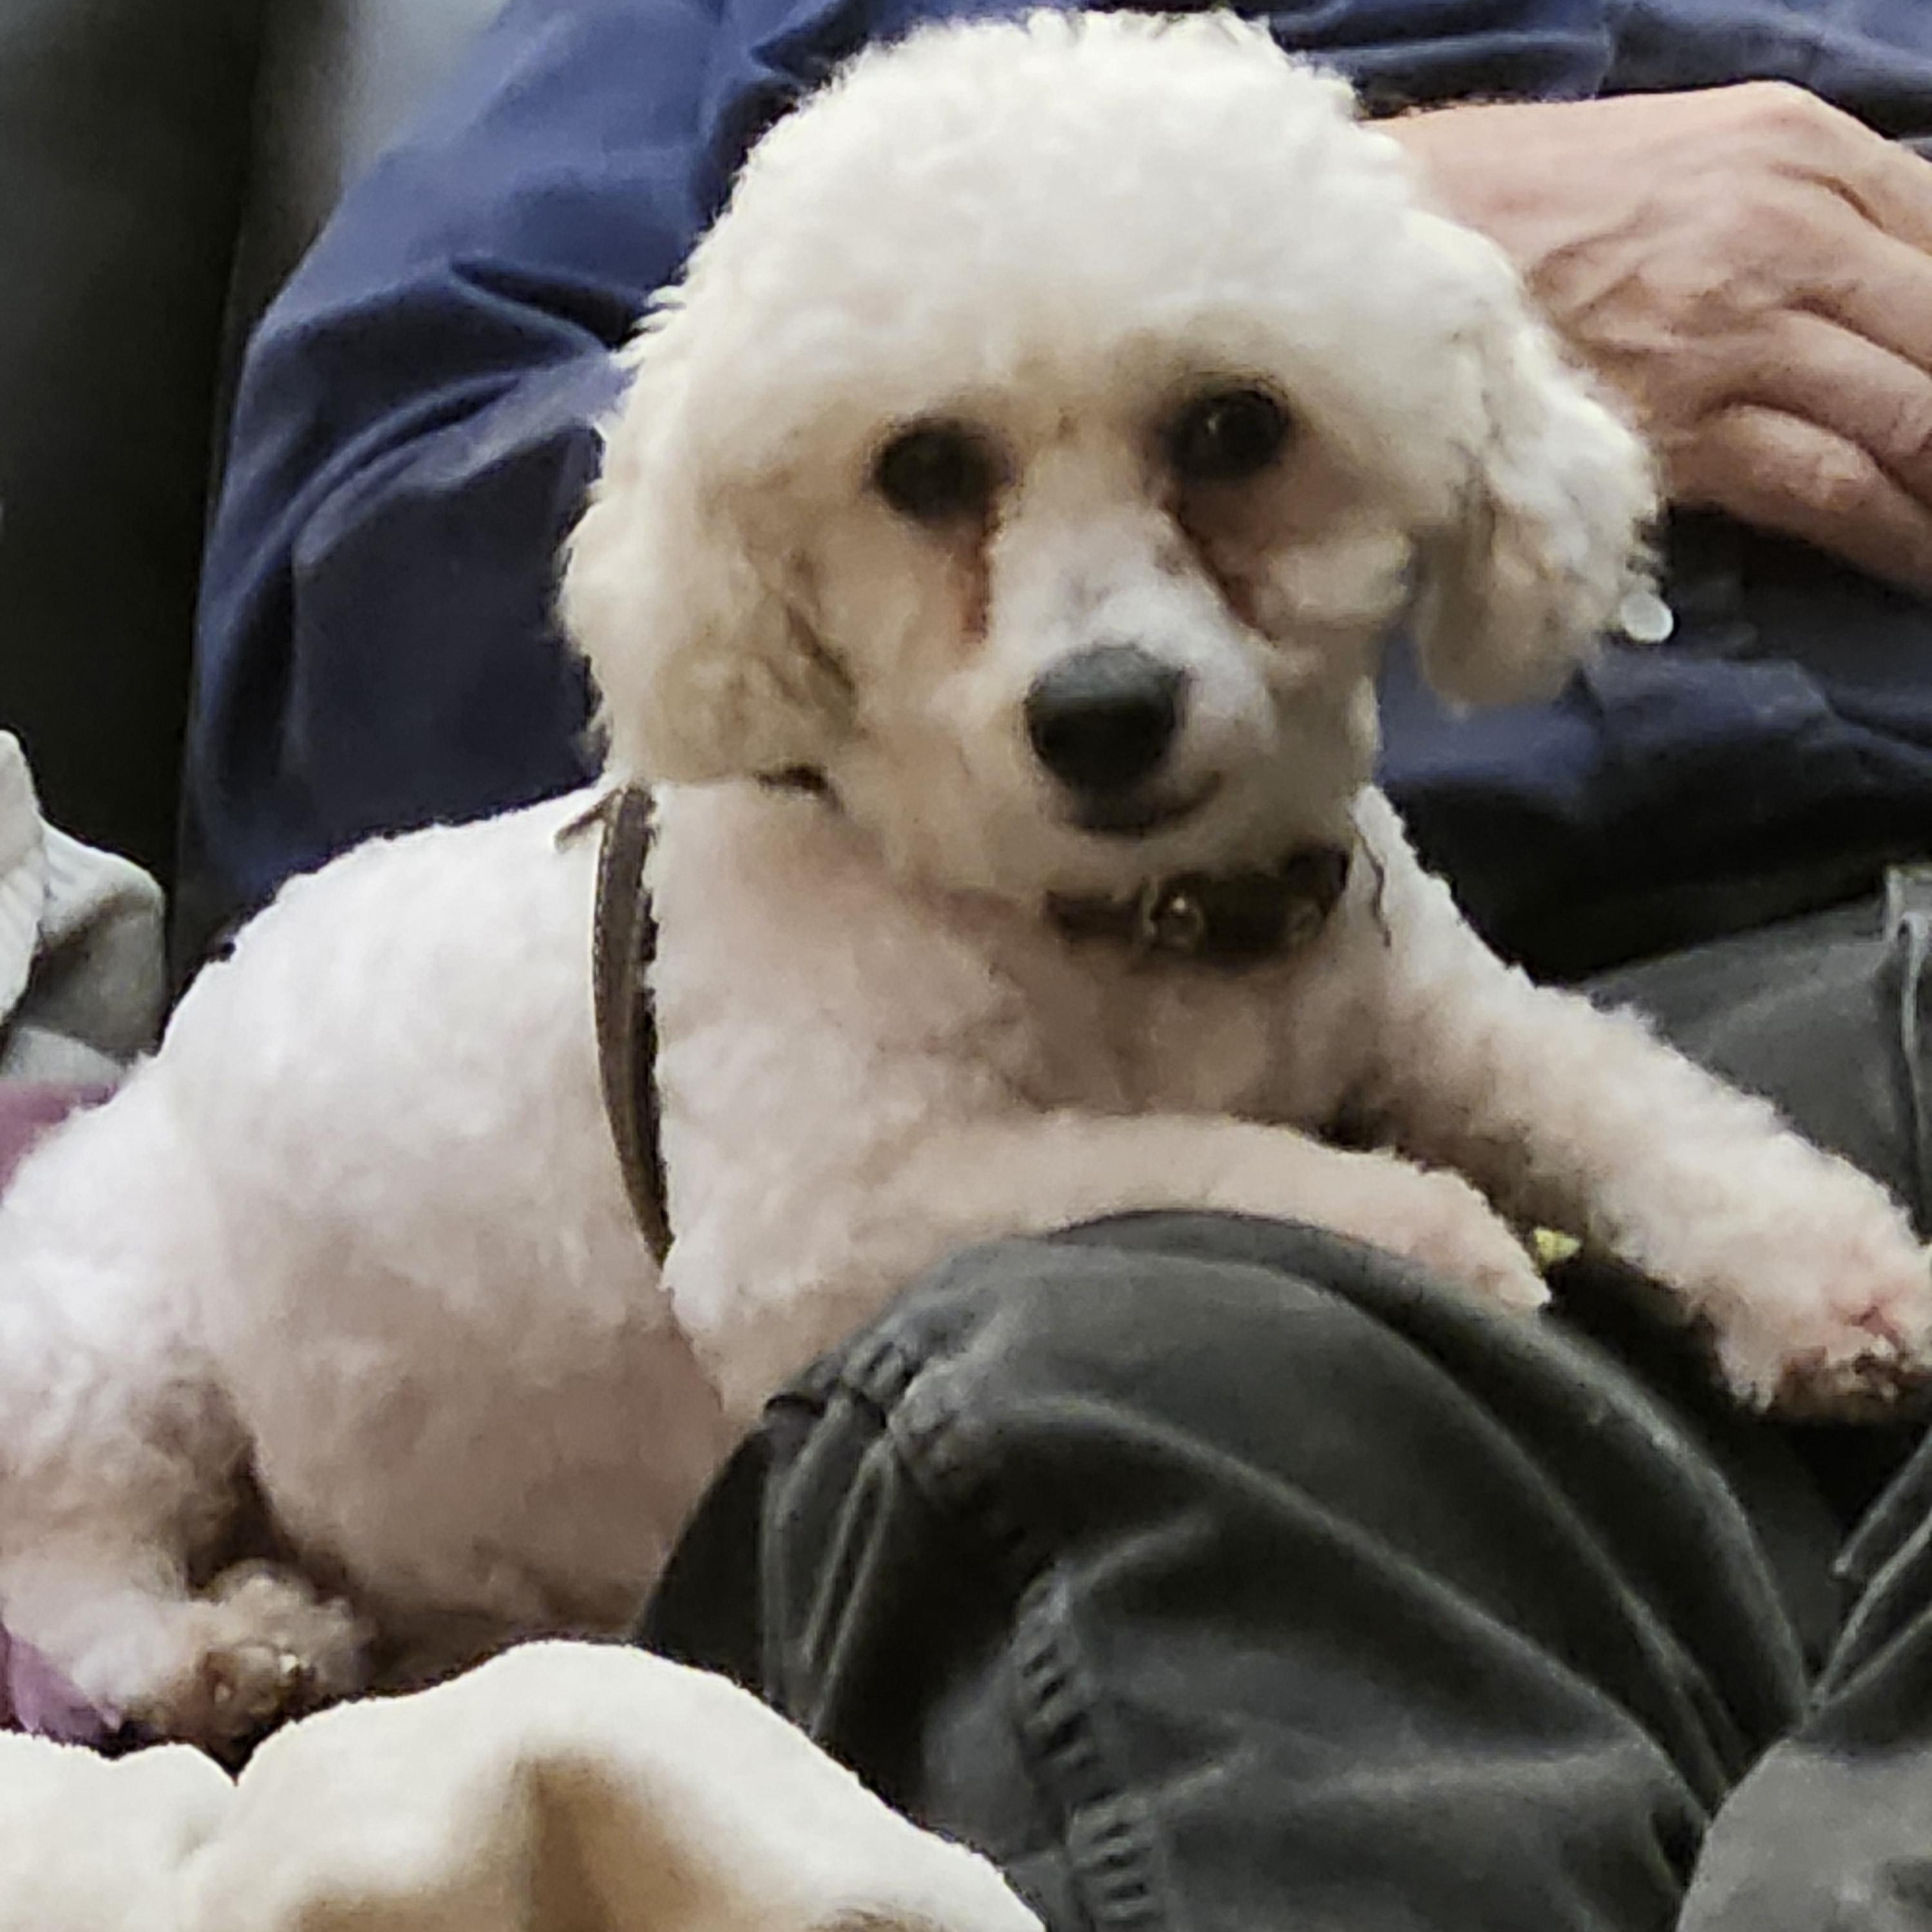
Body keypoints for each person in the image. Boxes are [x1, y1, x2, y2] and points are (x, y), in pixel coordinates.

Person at [186, 3, 1932, 1927]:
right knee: (1122, 1387)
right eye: (940, 468)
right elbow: (349, 605)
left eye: (1231, 439)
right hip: (1278, 1255)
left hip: (1676, 1071)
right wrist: (1390, 236)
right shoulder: (734, 42)